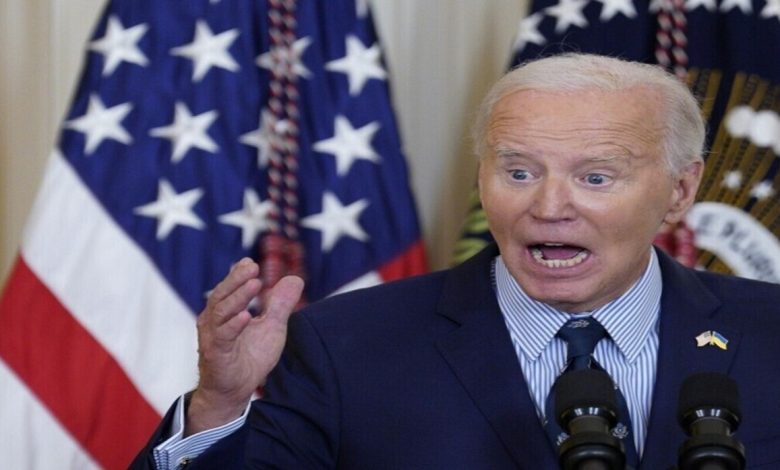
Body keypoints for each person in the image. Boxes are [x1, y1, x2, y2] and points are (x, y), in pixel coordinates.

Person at [132, 53, 780, 469]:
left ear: (680, 191)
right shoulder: (345, 345)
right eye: (519, 172)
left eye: (596, 177)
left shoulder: (770, 334)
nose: (549, 206)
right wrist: (219, 405)